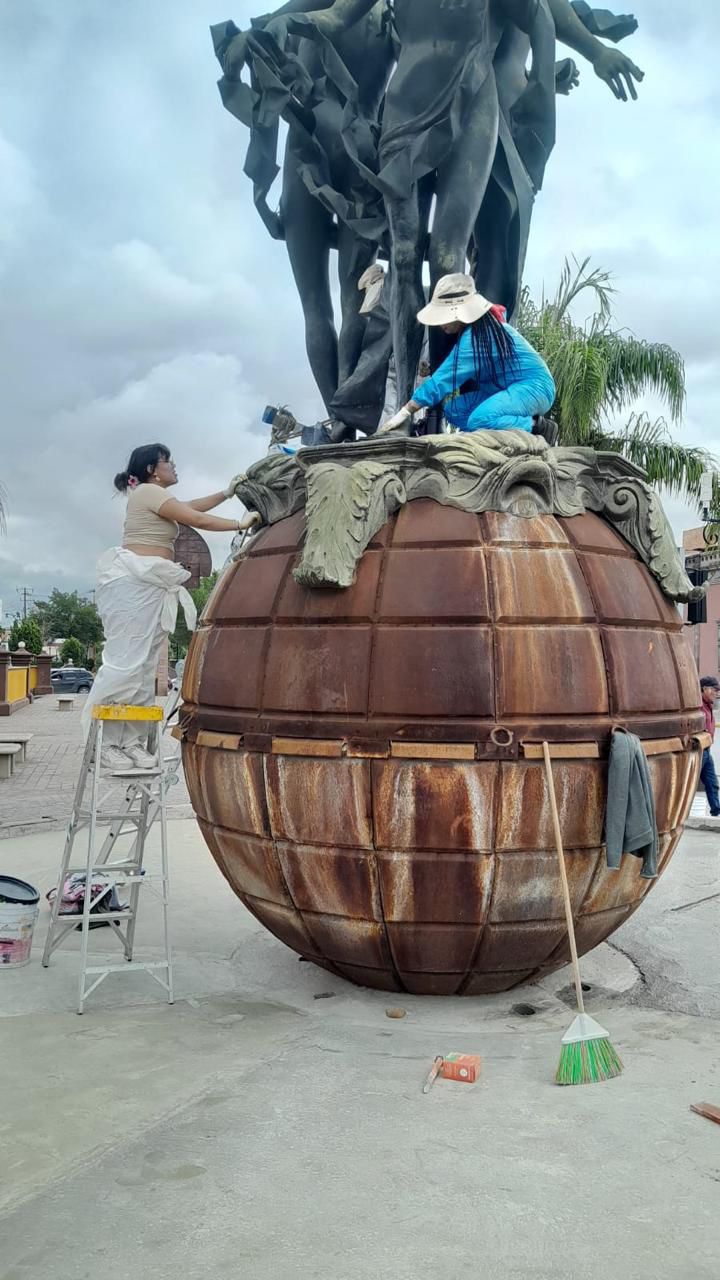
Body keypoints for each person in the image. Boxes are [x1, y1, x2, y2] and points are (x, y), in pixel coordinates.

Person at [82, 444, 258, 773]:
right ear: (152, 469)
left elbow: (190, 506)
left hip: (151, 584)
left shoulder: (156, 496)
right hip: (132, 584)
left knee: (143, 668)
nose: (174, 466)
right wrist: (239, 523)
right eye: (168, 461)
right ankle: (106, 744)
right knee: (126, 664)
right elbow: (195, 518)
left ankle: (131, 742)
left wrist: (226, 492)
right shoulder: (147, 492)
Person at [379, 274, 555, 434]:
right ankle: (490, 434)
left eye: (444, 315)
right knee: (454, 410)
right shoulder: (477, 332)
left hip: (534, 387)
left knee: (479, 419)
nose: (440, 324)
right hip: (501, 389)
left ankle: (536, 426)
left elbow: (443, 380)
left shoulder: (477, 337)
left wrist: (405, 411)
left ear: (459, 312)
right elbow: (457, 367)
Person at [699, 676, 720, 818]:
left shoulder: (708, 706)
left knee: (712, 783)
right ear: (705, 689)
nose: (717, 693)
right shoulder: (698, 706)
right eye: (715, 689)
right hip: (698, 751)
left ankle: (716, 811)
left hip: (707, 750)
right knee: (687, 785)